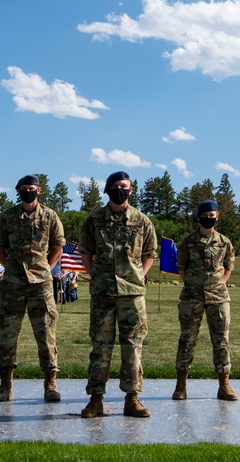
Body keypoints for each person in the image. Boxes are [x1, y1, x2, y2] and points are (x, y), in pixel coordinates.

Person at [78, 171, 158, 419]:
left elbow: (149, 253)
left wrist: (138, 278)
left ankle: (132, 398)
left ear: (131, 190)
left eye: (124, 186)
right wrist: (95, 277)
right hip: (103, 294)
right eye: (115, 186)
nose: (120, 189)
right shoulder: (93, 220)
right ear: (108, 189)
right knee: (100, 347)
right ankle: (95, 400)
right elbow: (85, 253)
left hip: (132, 295)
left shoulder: (142, 221)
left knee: (132, 346)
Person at [0, 175, 65, 403]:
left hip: (40, 285)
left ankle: (50, 383)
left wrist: (45, 269)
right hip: (13, 284)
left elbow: (58, 246)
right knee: (8, 334)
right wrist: (10, 269)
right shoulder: (8, 217)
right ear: (18, 190)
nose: (28, 192)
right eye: (23, 189)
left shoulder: (50, 215)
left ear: (39, 190)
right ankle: (5, 385)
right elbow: (0, 247)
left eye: (31, 189)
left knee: (46, 333)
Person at [172, 200, 237, 402]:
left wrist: (219, 284)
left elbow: (228, 267)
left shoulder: (225, 242)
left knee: (221, 341)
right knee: (187, 340)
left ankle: (224, 385)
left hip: (218, 297)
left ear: (217, 217)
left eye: (213, 215)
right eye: (205, 215)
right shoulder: (187, 242)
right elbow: (181, 268)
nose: (209, 218)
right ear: (198, 217)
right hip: (192, 297)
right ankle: (181, 386)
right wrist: (194, 285)